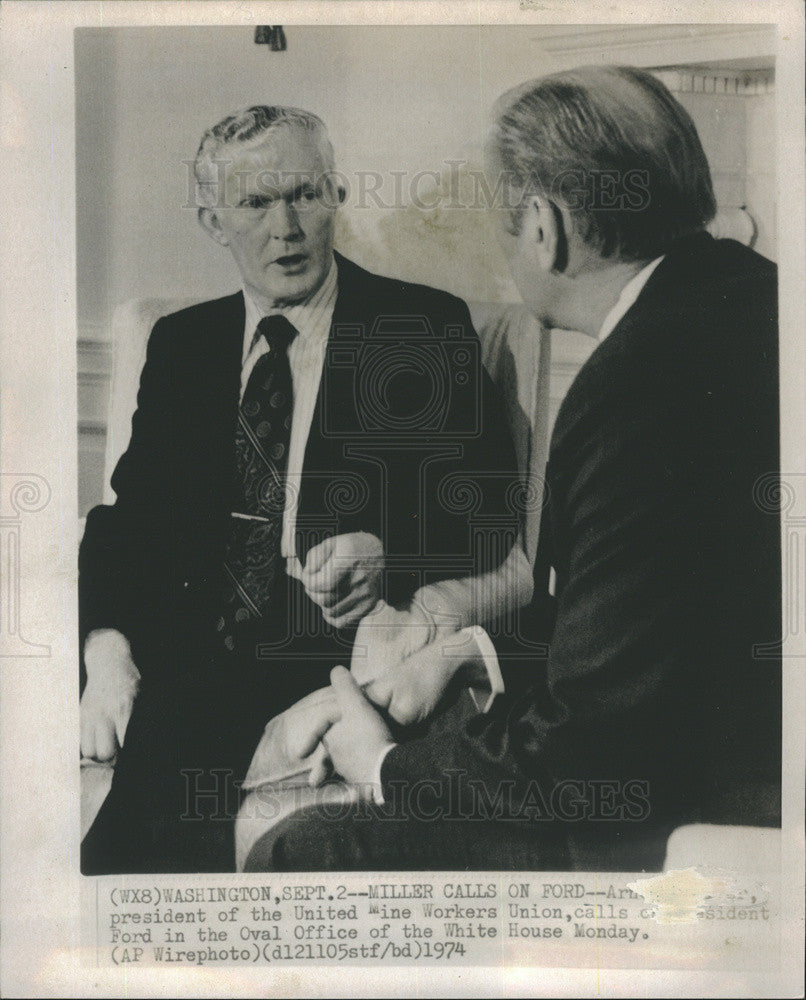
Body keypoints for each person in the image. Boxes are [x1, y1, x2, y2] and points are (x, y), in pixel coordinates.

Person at [248, 66, 782, 873]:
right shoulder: (754, 299)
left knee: (302, 851)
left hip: (690, 819)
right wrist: (466, 655)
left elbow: (590, 754)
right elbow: (640, 632)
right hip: (733, 758)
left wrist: (386, 765)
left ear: (543, 226)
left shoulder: (631, 392)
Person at [79, 105, 522, 873]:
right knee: (142, 816)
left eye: (305, 195)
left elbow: (488, 513)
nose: (287, 227)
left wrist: (390, 552)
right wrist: (105, 651)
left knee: (166, 812)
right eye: (255, 203)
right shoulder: (183, 344)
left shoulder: (417, 327)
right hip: (189, 642)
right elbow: (131, 520)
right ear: (213, 220)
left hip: (320, 646)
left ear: (335, 195)